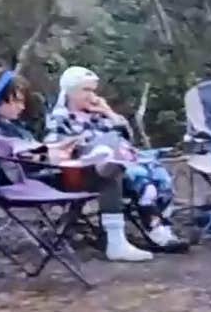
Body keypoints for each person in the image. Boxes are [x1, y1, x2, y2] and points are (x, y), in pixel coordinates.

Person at [41, 67, 182, 261]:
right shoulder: (60, 117)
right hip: (88, 168)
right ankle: (154, 229)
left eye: (93, 90)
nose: (91, 95)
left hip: (122, 158)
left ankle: (160, 226)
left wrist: (107, 111)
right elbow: (55, 147)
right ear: (70, 92)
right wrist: (80, 142)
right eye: (85, 90)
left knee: (157, 173)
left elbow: (128, 136)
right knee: (138, 177)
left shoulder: (97, 114)